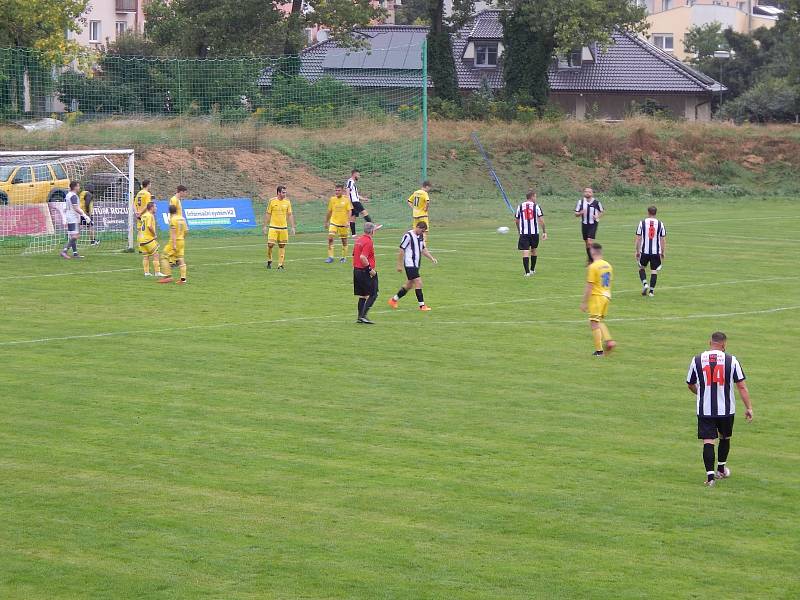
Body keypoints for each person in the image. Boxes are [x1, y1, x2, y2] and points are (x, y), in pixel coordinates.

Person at [686, 332, 753, 487]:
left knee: (708, 441)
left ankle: (710, 478)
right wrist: (749, 407)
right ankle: (721, 469)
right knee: (724, 437)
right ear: (724, 344)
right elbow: (741, 386)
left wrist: (700, 393)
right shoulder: (731, 360)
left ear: (710, 342)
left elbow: (690, 383)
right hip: (726, 409)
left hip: (705, 409)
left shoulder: (697, 360)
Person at [388, 221, 437, 311]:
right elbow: (401, 250)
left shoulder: (420, 236)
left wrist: (431, 258)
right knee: (418, 282)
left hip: (416, 264)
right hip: (409, 263)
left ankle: (393, 300)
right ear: (417, 227)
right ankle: (422, 306)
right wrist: (399, 265)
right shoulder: (408, 236)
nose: (422, 233)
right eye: (422, 230)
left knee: (409, 285)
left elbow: (423, 249)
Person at [580, 243, 616, 357]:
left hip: (597, 297)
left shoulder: (593, 266)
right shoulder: (608, 265)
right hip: (607, 295)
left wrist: (584, 302)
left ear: (592, 252)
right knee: (597, 321)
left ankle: (606, 343)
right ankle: (600, 350)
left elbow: (589, 286)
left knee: (594, 322)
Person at [635, 206, 667, 297]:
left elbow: (638, 238)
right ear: (655, 213)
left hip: (644, 251)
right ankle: (651, 291)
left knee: (641, 267)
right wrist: (663, 252)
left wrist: (637, 251)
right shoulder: (660, 224)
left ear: (648, 212)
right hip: (655, 252)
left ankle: (645, 284)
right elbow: (663, 239)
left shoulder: (642, 223)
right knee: (654, 270)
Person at [514, 189, 547, 277]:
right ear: (532, 197)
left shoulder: (520, 206)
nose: (536, 198)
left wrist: (519, 231)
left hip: (524, 233)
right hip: (534, 233)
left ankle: (527, 272)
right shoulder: (536, 206)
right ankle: (532, 270)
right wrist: (544, 232)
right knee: (534, 250)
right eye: (535, 196)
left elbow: (516, 221)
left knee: (525, 251)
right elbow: (541, 221)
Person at [264, 185, 296, 270]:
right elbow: (268, 214)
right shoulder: (272, 201)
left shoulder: (287, 202)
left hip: (283, 228)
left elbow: (290, 215)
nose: (285, 194)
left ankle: (280, 264)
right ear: (278, 192)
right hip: (273, 227)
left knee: (282, 246)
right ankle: (269, 259)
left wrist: (293, 227)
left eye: (285, 192)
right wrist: (265, 226)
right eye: (283, 192)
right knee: (270, 244)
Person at [352, 222, 379, 324]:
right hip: (365, 271)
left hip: (357, 270)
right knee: (373, 294)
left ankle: (360, 317)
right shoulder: (368, 242)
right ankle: (363, 315)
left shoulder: (358, 240)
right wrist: (369, 269)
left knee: (363, 295)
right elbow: (362, 257)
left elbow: (354, 253)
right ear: (372, 231)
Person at [60, 180, 92, 260]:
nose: (79, 187)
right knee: (76, 236)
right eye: (78, 186)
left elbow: (66, 207)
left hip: (70, 217)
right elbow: (76, 208)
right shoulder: (73, 196)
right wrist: (84, 215)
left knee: (73, 236)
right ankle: (64, 251)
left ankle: (75, 253)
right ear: (75, 187)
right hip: (73, 217)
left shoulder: (68, 195)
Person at [158, 204, 188, 284]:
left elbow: (174, 233)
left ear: (170, 212)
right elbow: (186, 231)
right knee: (181, 259)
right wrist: (182, 238)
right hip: (181, 241)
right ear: (177, 210)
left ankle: (168, 276)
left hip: (174, 242)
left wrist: (174, 244)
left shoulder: (172, 219)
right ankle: (183, 279)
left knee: (163, 256)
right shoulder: (182, 218)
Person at [324, 183, 352, 263]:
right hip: (333, 222)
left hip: (343, 224)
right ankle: (330, 257)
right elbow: (329, 211)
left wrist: (348, 221)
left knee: (344, 241)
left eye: (338, 190)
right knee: (330, 238)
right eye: (336, 190)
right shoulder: (332, 199)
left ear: (342, 191)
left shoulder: (346, 199)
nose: (337, 192)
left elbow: (350, 211)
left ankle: (343, 257)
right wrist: (326, 222)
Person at [575, 187, 604, 262]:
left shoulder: (596, 202)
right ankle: (590, 258)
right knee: (587, 243)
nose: (587, 193)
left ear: (592, 193)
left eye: (589, 192)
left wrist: (597, 216)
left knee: (590, 241)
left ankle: (592, 260)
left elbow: (602, 211)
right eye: (586, 192)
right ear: (584, 193)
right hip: (584, 224)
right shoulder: (580, 202)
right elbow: (576, 213)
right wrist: (580, 213)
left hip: (593, 224)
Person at [346, 169, 378, 236]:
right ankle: (373, 226)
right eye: (358, 175)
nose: (359, 176)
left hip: (354, 202)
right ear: (354, 174)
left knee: (353, 218)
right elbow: (347, 191)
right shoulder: (350, 182)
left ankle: (353, 235)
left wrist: (364, 199)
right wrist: (349, 202)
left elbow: (356, 195)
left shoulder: (353, 183)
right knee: (364, 212)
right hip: (354, 202)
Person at [138, 201, 165, 277]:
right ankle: (157, 272)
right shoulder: (150, 216)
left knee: (145, 256)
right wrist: (154, 234)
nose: (156, 208)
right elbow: (149, 226)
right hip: (148, 239)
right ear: (152, 208)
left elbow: (141, 224)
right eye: (155, 207)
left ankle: (146, 273)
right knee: (156, 254)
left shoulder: (144, 215)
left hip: (141, 239)